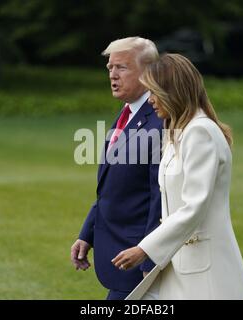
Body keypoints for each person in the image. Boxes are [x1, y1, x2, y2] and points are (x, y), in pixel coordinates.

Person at [112, 54, 243, 299]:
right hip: (179, 263)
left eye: (154, 93)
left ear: (173, 91)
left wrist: (144, 249)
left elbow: (194, 207)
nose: (151, 101)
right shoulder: (177, 132)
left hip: (203, 268)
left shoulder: (200, 132)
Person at [70, 37, 163, 300]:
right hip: (120, 255)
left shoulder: (159, 121)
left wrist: (148, 258)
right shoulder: (127, 114)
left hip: (137, 259)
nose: (112, 75)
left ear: (148, 73)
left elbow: (159, 198)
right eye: (110, 68)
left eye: (121, 67)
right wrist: (87, 233)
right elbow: (113, 186)